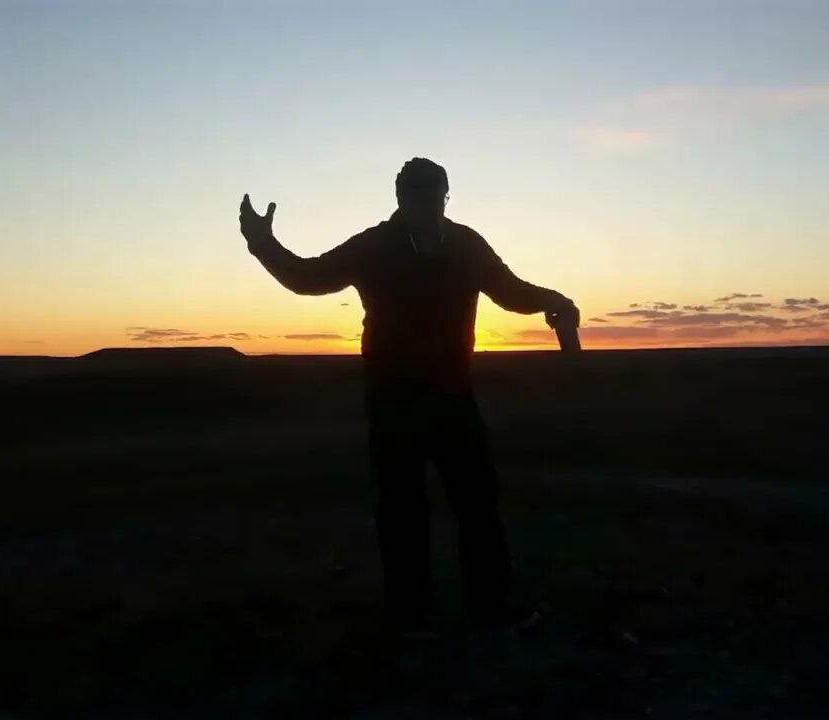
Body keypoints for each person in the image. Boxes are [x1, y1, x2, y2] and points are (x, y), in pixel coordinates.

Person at [239, 157, 578, 635]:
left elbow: (510, 291)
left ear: (445, 197)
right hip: (393, 398)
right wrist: (263, 244)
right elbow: (309, 278)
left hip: (452, 395)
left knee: (476, 502)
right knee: (403, 509)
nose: (427, 205)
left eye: (433, 197)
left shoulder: (465, 245)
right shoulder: (375, 245)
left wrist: (554, 300)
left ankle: (489, 608)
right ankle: (409, 616)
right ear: (401, 199)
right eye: (418, 197)